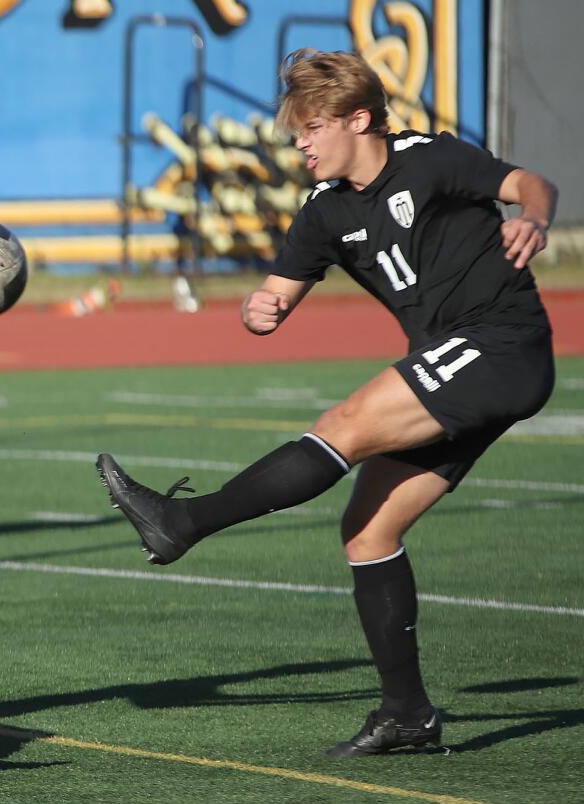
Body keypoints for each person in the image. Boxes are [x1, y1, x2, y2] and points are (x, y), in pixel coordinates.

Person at [97, 49, 557, 757]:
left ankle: (182, 520)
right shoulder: (323, 212)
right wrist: (262, 309)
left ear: (359, 119)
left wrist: (530, 216)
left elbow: (532, 182)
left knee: (341, 425)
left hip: (501, 344)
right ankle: (408, 716)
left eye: (311, 128)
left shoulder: (430, 158)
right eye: (297, 132)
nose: (300, 143)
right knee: (368, 533)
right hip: (455, 362)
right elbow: (279, 291)